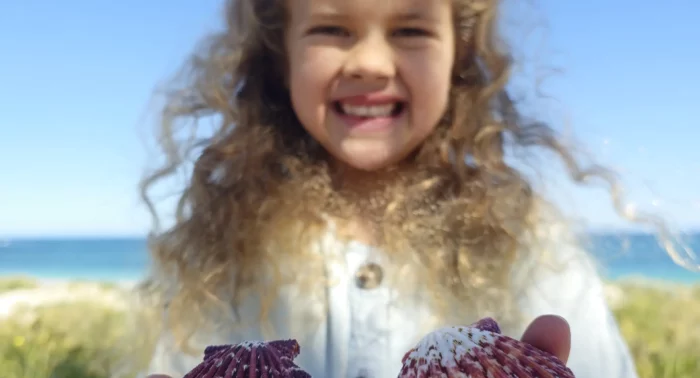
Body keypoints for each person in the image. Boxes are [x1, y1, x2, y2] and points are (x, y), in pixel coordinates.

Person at [138, 0, 640, 377]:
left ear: (457, 55)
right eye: (332, 28)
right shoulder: (224, 248)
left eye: (411, 28)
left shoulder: (530, 241)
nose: (371, 62)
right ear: (280, 58)